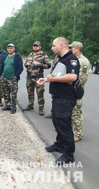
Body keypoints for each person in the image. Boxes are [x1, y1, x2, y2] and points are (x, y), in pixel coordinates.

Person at [37, 37, 79, 165]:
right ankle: (59, 145)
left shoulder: (71, 59)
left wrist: (52, 79)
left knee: (64, 125)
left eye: (53, 45)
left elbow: (72, 77)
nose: (51, 48)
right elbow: (57, 75)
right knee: (57, 122)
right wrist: (46, 79)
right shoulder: (61, 59)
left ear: (61, 45)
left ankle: (69, 154)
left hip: (65, 99)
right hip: (58, 97)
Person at [69, 41, 91, 142]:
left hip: (76, 90)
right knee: (70, 111)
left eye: (72, 48)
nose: (70, 49)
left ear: (78, 49)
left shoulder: (84, 61)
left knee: (76, 112)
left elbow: (83, 77)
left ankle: (78, 134)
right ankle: (70, 131)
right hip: (69, 89)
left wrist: (71, 83)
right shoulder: (73, 59)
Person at [23, 41, 51, 116]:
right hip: (29, 77)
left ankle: (41, 108)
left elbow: (49, 65)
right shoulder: (30, 54)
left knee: (40, 93)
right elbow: (25, 63)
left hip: (39, 78)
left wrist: (40, 65)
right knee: (30, 92)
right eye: (34, 46)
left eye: (37, 46)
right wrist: (27, 64)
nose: (35, 47)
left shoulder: (43, 55)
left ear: (40, 47)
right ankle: (30, 105)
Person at [0, 43, 23, 114]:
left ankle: (13, 107)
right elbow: (2, 66)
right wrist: (1, 74)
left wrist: (15, 76)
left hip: (12, 78)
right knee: (5, 92)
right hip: (4, 78)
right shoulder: (5, 56)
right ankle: (7, 105)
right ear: (7, 49)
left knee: (13, 93)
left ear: (14, 49)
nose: (10, 49)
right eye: (8, 48)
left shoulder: (17, 56)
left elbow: (20, 67)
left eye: (11, 48)